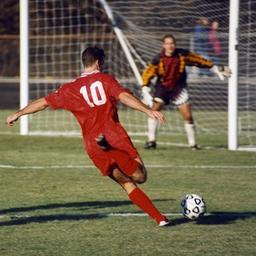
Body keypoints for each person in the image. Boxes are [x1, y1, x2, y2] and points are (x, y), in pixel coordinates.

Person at [6, 46, 169, 227]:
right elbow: (123, 96)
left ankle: (159, 218)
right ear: (99, 62)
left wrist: (19, 113)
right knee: (140, 176)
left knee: (127, 184)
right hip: (114, 137)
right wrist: (147, 110)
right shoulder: (105, 79)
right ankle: (113, 151)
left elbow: (43, 103)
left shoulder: (70, 88)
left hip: (93, 145)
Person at [141, 34, 231, 149]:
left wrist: (214, 68)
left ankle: (193, 144)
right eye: (167, 43)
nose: (170, 46)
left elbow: (198, 60)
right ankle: (151, 141)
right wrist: (145, 87)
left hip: (179, 89)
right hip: (162, 89)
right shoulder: (158, 58)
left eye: (172, 43)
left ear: (175, 44)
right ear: (163, 45)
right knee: (154, 111)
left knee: (188, 116)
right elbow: (148, 73)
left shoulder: (182, 54)